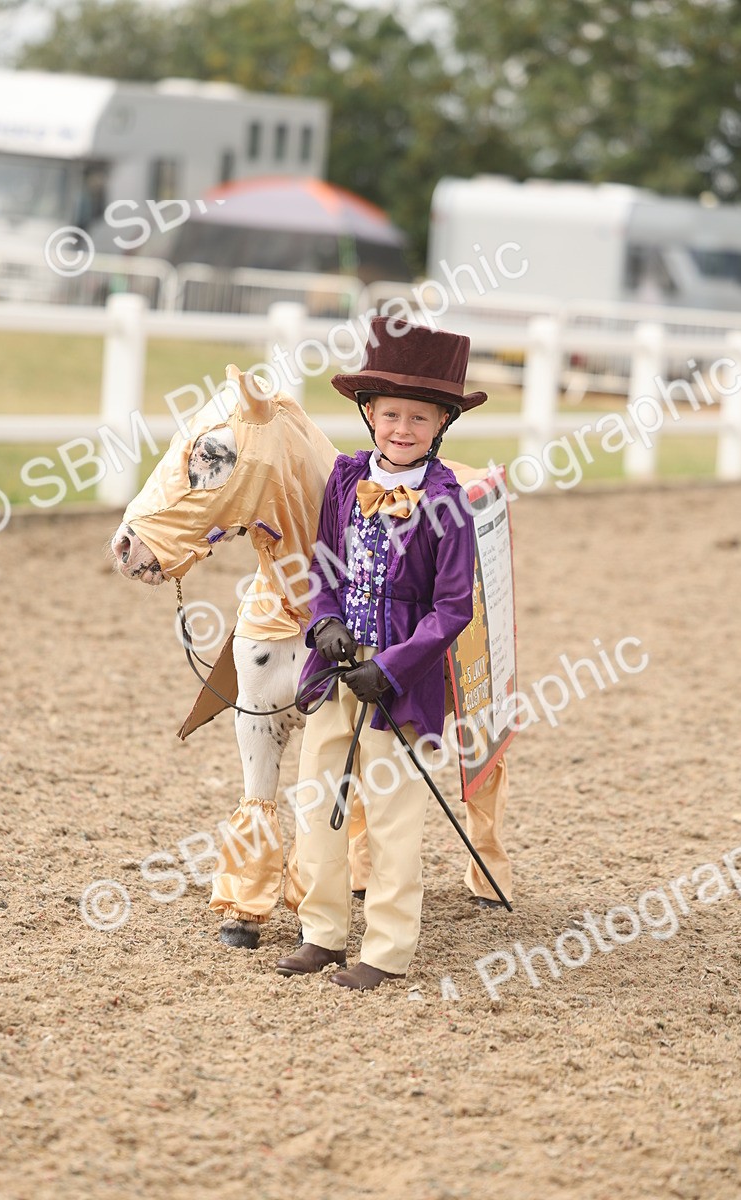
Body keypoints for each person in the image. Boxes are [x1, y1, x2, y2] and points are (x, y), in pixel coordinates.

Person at [276, 316, 489, 991]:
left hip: (403, 680)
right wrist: (326, 623)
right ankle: (324, 933)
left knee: (393, 818)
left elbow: (452, 608)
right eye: (390, 413)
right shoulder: (344, 479)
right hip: (336, 669)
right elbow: (323, 567)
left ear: (442, 424)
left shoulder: (448, 503)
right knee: (319, 803)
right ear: (369, 413)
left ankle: (388, 950)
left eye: (418, 417)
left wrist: (391, 666)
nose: (402, 428)